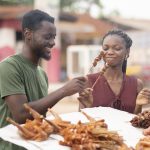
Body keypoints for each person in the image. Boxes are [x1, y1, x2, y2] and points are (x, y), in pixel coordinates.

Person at [0, 10, 87, 150]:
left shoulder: (41, 74)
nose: (52, 43)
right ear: (28, 34)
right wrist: (64, 90)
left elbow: (39, 116)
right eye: (47, 37)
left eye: (54, 37)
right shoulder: (9, 67)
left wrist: (83, 102)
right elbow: (21, 115)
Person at [78, 29, 150, 114]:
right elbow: (81, 122)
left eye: (117, 48)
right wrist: (87, 107)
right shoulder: (88, 81)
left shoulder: (136, 84)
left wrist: (138, 105)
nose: (110, 52)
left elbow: (136, 123)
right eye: (106, 48)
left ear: (127, 52)